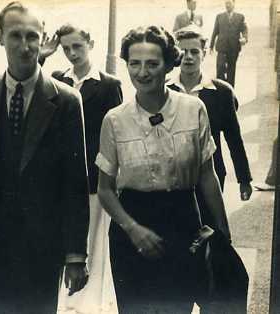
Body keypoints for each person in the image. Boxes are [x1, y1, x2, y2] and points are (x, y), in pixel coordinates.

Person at [0, 2, 90, 313]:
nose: (25, 46)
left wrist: (75, 256)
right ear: (0, 38)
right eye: (16, 36)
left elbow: (74, 184)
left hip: (41, 247)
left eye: (32, 36)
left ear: (43, 40)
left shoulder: (66, 101)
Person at [96, 25, 231, 313]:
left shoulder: (193, 109)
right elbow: (105, 189)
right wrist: (133, 230)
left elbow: (207, 177)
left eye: (152, 64)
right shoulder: (115, 120)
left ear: (170, 64)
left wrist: (223, 234)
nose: (142, 73)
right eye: (135, 63)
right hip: (131, 223)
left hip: (182, 222)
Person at [39, 23, 123, 313]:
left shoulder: (109, 85)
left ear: (91, 44)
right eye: (66, 48)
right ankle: (63, 305)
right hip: (59, 179)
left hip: (93, 179)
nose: (72, 53)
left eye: (78, 46)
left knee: (92, 246)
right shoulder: (55, 79)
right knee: (62, 241)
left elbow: (116, 135)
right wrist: (41, 58)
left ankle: (88, 307)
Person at [168, 27, 252, 229]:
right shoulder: (165, 90)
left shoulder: (221, 92)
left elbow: (234, 138)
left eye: (194, 51)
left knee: (208, 231)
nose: (188, 57)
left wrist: (244, 179)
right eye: (183, 52)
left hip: (210, 175)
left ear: (204, 54)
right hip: (170, 176)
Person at [210, 0, 248, 87]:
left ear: (234, 4)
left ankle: (230, 90)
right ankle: (220, 87)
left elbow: (244, 29)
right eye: (226, 3)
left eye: (229, 3)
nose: (227, 5)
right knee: (220, 68)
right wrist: (211, 46)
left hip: (234, 48)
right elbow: (215, 31)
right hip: (221, 47)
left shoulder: (240, 17)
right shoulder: (219, 16)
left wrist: (244, 38)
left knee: (231, 70)